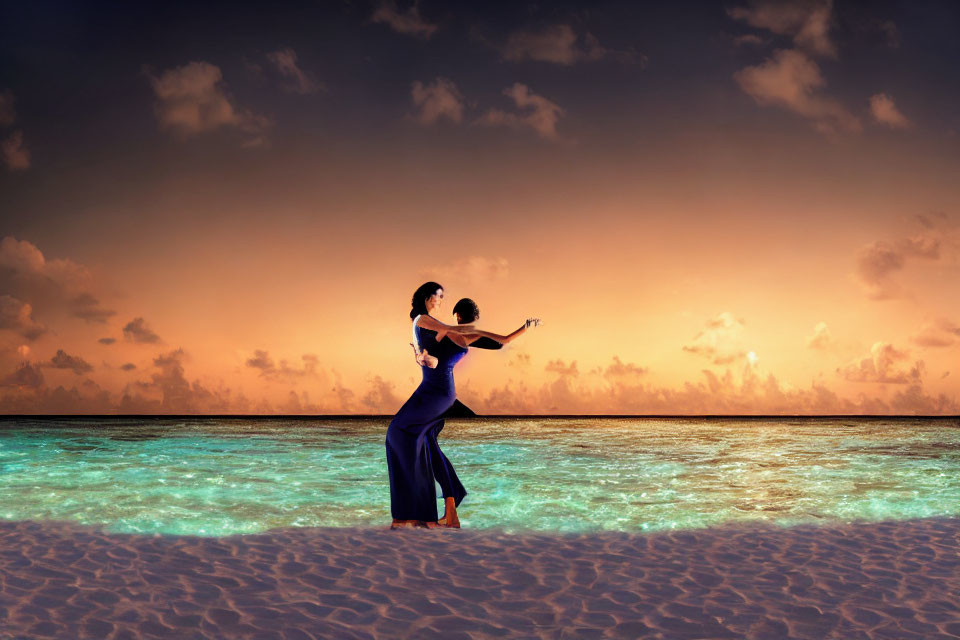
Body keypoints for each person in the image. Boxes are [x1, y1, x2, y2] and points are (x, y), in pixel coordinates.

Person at [386, 282, 539, 529]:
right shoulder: (463, 334)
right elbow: (503, 341)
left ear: (457, 315)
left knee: (398, 432)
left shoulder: (439, 328)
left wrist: (422, 355)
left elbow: (433, 352)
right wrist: (524, 327)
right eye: (438, 296)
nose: (441, 301)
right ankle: (446, 507)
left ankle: (413, 513)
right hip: (445, 394)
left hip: (435, 393)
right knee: (425, 443)